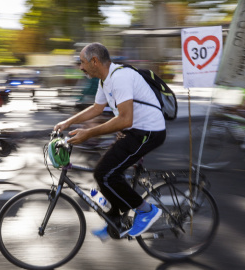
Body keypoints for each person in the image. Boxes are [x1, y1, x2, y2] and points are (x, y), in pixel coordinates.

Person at [53, 42, 166, 239]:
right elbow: (97, 109)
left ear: (94, 61)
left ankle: (146, 210)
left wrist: (88, 133)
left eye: (82, 62)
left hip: (149, 132)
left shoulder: (119, 78)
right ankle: (115, 219)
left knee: (105, 174)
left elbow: (125, 119)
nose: (80, 67)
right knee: (107, 174)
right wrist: (68, 122)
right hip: (135, 130)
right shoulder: (105, 80)